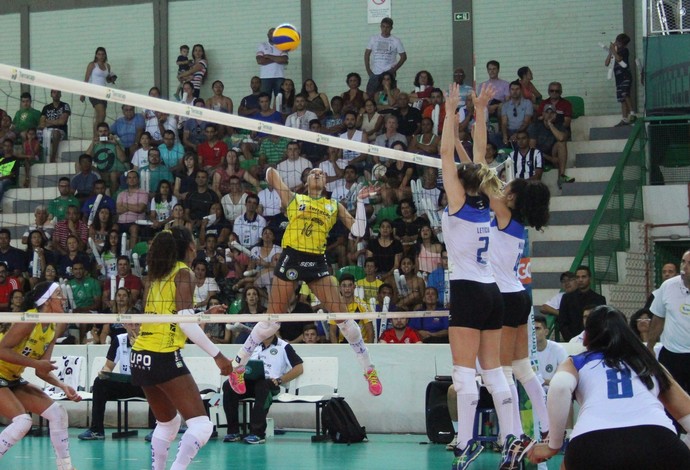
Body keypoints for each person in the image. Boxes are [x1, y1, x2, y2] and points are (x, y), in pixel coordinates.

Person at [227, 166, 383, 397]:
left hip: (317, 261)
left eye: (321, 172)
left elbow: (359, 230)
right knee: (271, 323)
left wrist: (360, 201)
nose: (318, 173)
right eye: (312, 172)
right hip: (292, 257)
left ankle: (368, 370)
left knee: (346, 321)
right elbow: (269, 172)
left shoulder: (333, 206)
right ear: (306, 180)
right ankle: (237, 367)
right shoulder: (294, 199)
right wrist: (275, 177)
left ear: (327, 180)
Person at [442, 83, 526, 470]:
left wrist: (449, 110)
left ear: (461, 183)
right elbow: (477, 155)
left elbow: (447, 152)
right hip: (493, 292)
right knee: (494, 372)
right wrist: (478, 110)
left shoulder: (458, 203)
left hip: (468, 291)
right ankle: (512, 440)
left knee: (463, 374)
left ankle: (465, 444)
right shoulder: (486, 202)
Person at [528, 305, 690, 469]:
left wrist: (553, 445)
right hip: (658, 441)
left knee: (566, 464)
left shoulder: (576, 362)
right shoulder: (648, 362)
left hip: (593, 444)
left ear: (586, 337)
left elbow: (559, 387)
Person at [130, 227, 233, 470]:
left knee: (167, 423)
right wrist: (218, 355)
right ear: (188, 247)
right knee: (202, 425)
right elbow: (184, 322)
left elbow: (171, 316)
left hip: (140, 357)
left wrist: (205, 314)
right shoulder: (183, 273)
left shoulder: (155, 275)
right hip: (163, 354)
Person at [0, 282, 82, 470]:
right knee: (23, 422)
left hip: (11, 377)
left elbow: (41, 369)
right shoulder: (30, 319)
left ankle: (65, 467)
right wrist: (35, 363)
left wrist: (62, 386)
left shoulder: (54, 327)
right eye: (59, 294)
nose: (63, 298)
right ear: (47, 300)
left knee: (58, 412)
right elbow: (1, 350)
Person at [78, 322, 155, 440]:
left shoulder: (151, 339)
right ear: (125, 325)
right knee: (99, 382)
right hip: (126, 383)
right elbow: (109, 366)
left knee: (157, 385)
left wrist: (139, 348)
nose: (133, 327)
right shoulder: (119, 340)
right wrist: (104, 372)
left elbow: (155, 369)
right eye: (130, 324)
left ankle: (156, 430)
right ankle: (96, 430)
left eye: (137, 324)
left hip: (146, 384)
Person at [222, 333, 303, 444]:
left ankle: (257, 433)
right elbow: (239, 363)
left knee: (262, 385)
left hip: (271, 384)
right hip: (249, 382)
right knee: (228, 385)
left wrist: (280, 380)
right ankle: (233, 431)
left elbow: (299, 368)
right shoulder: (251, 344)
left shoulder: (284, 346)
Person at [648, 249, 690, 397]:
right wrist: (650, 345)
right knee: (670, 399)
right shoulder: (667, 286)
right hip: (671, 355)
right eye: (683, 262)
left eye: (689, 264)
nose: (685, 267)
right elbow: (658, 318)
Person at [557, 265, 606, 341]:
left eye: (583, 277)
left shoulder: (600, 299)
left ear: (590, 279)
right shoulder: (567, 298)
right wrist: (572, 340)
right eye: (578, 277)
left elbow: (602, 322)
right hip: (572, 341)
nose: (580, 280)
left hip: (594, 340)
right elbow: (562, 322)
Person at [364, 17, 407, 96]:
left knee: (390, 95)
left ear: (391, 28)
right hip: (375, 72)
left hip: (389, 72)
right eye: (383, 26)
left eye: (387, 27)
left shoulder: (396, 40)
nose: (385, 29)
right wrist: (368, 69)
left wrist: (394, 69)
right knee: (371, 95)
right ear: (380, 27)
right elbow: (367, 54)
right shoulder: (374, 39)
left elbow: (403, 56)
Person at [80, 47, 116, 136]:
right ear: (96, 55)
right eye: (99, 54)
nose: (101, 56)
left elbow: (107, 80)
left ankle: (97, 136)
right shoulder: (92, 65)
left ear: (105, 55)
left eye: (103, 54)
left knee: (101, 116)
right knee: (101, 113)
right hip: (94, 92)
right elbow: (86, 79)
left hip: (104, 93)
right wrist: (83, 93)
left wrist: (112, 79)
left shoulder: (107, 66)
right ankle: (96, 137)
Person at [606, 33, 635, 126]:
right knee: (621, 99)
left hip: (625, 76)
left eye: (618, 42)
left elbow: (618, 59)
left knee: (625, 94)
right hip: (618, 78)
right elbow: (606, 63)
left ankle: (632, 113)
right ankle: (624, 119)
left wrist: (613, 51)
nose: (616, 43)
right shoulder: (614, 52)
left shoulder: (624, 50)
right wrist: (610, 52)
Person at [533, 314, 568, 392]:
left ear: (546, 332)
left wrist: (545, 382)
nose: (534, 332)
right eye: (531, 329)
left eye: (537, 328)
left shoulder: (558, 349)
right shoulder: (525, 351)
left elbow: (565, 376)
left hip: (555, 392)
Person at [39, 89, 71, 163]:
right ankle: (37, 159)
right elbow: (42, 123)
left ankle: (53, 158)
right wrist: (57, 121)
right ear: (51, 94)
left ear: (60, 94)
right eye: (54, 92)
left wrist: (48, 121)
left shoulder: (65, 105)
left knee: (55, 133)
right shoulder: (46, 108)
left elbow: (62, 122)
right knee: (34, 133)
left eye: (58, 92)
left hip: (61, 131)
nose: (56, 94)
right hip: (47, 130)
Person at [256, 27, 288, 99]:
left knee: (280, 99)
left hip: (279, 76)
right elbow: (260, 61)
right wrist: (277, 58)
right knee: (264, 99)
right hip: (265, 77)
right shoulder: (262, 45)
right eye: (271, 33)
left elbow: (284, 59)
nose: (273, 35)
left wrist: (268, 56)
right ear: (267, 35)